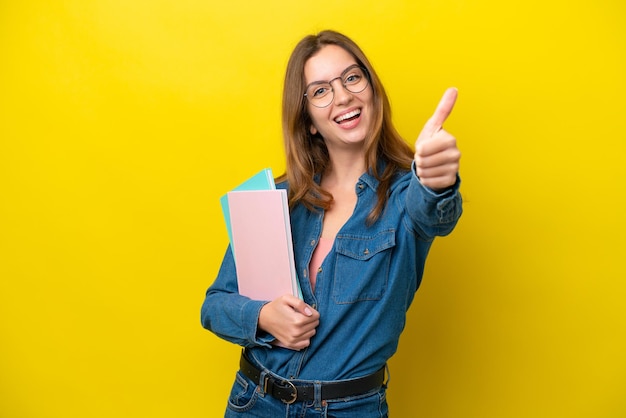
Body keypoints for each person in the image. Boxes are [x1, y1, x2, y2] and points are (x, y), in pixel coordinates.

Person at [201, 29, 462, 417]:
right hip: (253, 401)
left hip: (348, 409)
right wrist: (262, 317)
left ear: (372, 90)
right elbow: (215, 305)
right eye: (321, 90)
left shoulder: (406, 195)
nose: (342, 96)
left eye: (352, 78)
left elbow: (434, 212)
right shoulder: (276, 198)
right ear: (307, 120)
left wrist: (437, 180)